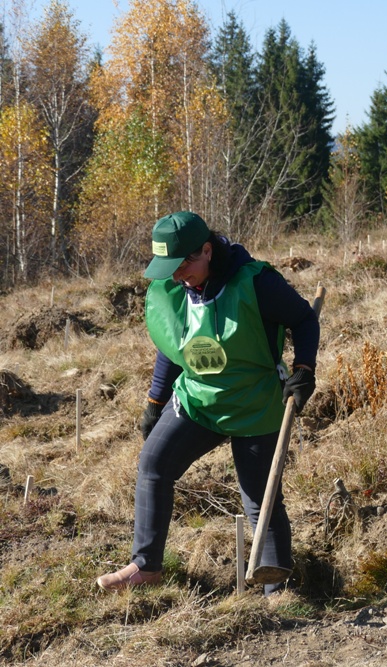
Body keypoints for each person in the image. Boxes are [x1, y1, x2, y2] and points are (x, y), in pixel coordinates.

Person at [97, 211, 319, 594]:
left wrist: (303, 369)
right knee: (153, 463)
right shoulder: (173, 289)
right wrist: (155, 400)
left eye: (185, 265)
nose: (179, 276)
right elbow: (174, 343)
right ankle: (146, 566)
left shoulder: (258, 283)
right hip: (197, 399)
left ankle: (276, 592)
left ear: (207, 250)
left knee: (260, 500)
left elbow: (304, 319)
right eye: (170, 268)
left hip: (254, 403)